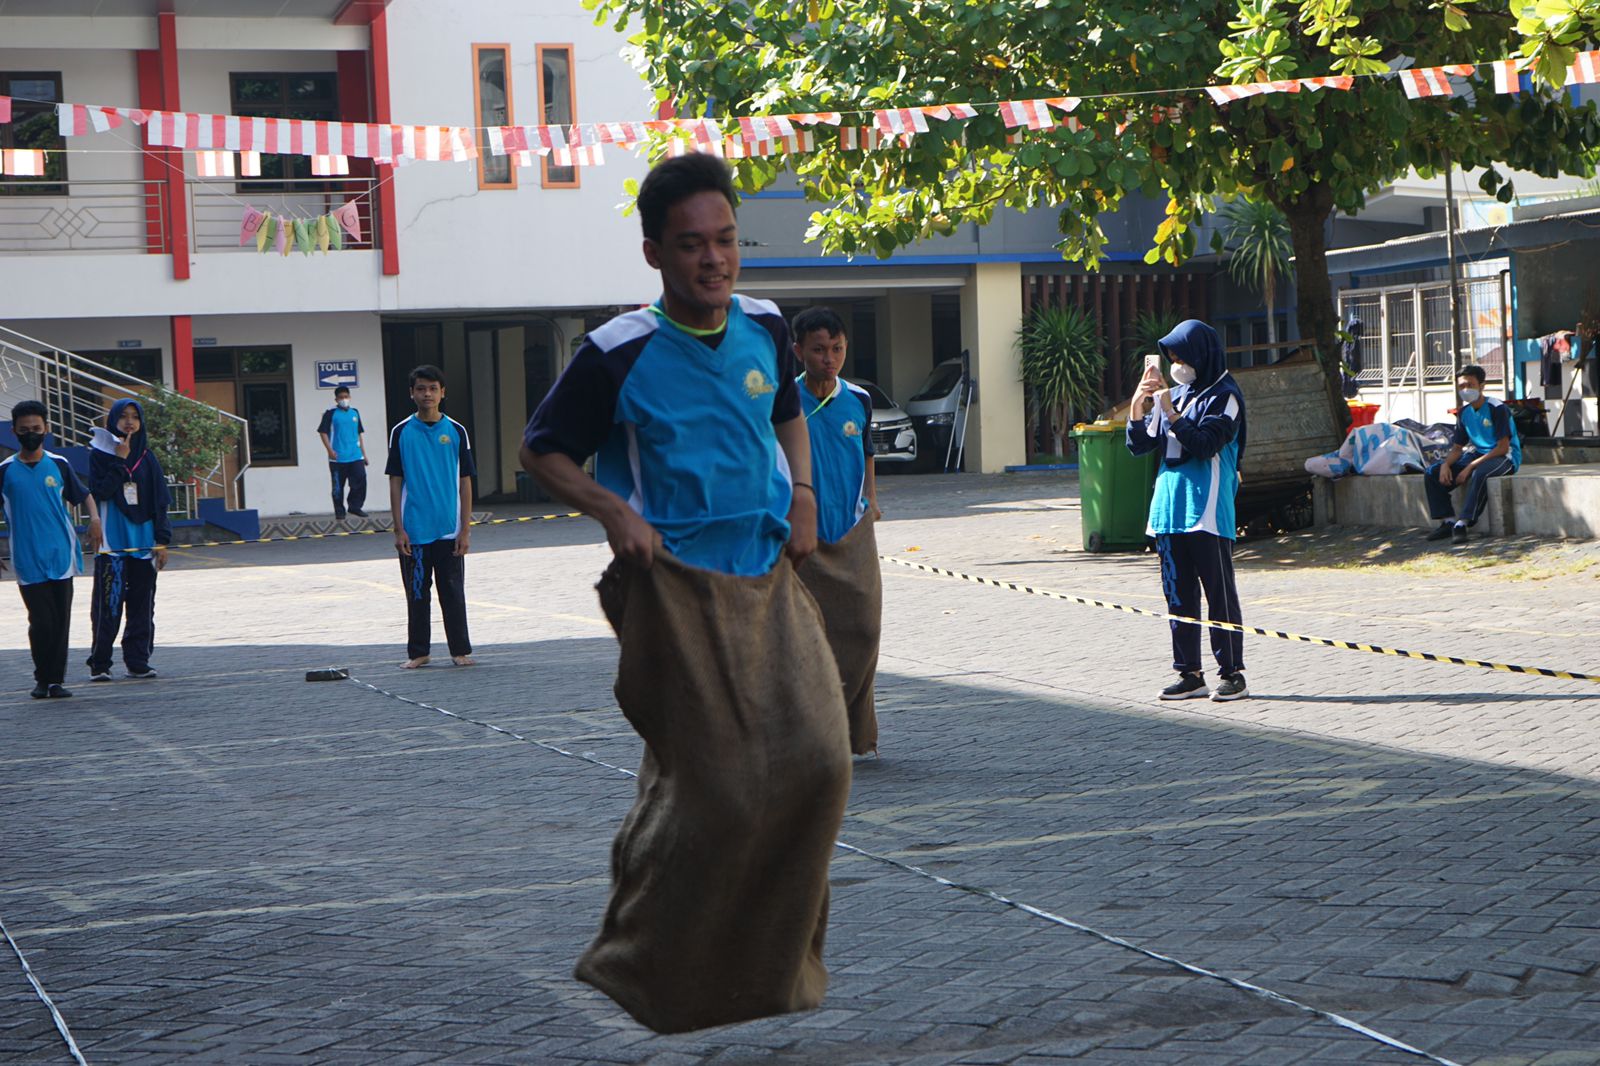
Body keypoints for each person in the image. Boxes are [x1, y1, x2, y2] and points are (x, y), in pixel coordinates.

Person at [520, 153, 848, 1034]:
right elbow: (541, 449)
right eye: (692, 245)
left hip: (771, 577)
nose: (714, 259)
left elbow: (783, 410)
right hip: (675, 591)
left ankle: (774, 970)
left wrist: (806, 491)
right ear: (655, 254)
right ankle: (644, 956)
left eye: (726, 241)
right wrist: (610, 510)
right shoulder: (617, 352)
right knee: (721, 788)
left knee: (821, 765)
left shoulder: (769, 326)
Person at [1126, 320, 1250, 702]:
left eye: (1181, 356)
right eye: (1171, 357)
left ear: (1201, 354)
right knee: (1177, 594)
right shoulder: (1175, 393)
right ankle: (1189, 673)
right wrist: (1138, 404)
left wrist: (1172, 412)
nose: (1176, 363)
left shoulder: (1225, 395)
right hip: (1169, 508)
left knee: (1218, 592)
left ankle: (1232, 673)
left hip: (1207, 508)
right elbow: (1141, 444)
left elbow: (1205, 444)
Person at [790, 305, 883, 756]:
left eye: (838, 349)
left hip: (851, 532)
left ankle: (852, 728)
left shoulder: (859, 399)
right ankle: (812, 733)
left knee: (864, 628)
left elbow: (866, 452)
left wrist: (872, 500)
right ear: (798, 351)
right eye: (820, 350)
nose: (830, 358)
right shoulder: (783, 402)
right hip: (801, 538)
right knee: (808, 637)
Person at [1, 400, 102, 698]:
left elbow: (84, 495)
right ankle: (41, 677)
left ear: (46, 428)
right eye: (24, 430)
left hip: (61, 555)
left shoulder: (59, 464)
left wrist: (94, 519)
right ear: (14, 431)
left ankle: (55, 680)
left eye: (36, 428)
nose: (30, 434)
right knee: (41, 620)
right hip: (27, 558)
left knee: (60, 620)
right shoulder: (5, 471)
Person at [385, 365, 475, 669]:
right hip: (415, 530)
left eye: (433, 388)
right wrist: (399, 529)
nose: (427, 394)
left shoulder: (457, 431)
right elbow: (395, 481)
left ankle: (460, 650)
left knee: (453, 592)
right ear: (412, 393)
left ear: (442, 393)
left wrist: (465, 529)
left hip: (449, 530)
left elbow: (465, 481)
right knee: (417, 593)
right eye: (421, 388)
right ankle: (419, 652)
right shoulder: (401, 432)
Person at [87, 398, 170, 682]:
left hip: (143, 545)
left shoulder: (148, 458)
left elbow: (160, 502)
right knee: (107, 605)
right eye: (123, 416)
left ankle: (137, 661)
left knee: (142, 605)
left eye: (135, 416)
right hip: (112, 545)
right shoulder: (100, 456)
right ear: (113, 421)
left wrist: (162, 540)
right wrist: (119, 460)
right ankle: (100, 663)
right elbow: (100, 491)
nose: (129, 422)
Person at [1423, 364, 1521, 545]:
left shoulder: (1497, 408)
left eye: (1470, 385)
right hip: (1477, 454)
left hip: (1504, 456)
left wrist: (1470, 466)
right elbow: (1457, 448)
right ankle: (1448, 521)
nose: (1465, 390)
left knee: (1480, 472)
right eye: (1461, 386)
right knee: (1432, 473)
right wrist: (1445, 465)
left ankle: (1463, 523)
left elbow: (1502, 447)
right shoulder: (1464, 413)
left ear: (1482, 385)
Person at [317, 385, 368, 519]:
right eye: (341, 397)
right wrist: (329, 450)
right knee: (338, 486)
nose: (344, 399)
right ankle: (339, 511)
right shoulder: (330, 413)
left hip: (356, 455)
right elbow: (323, 432)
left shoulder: (355, 412)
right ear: (336, 399)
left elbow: (359, 434)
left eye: (346, 397)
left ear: (350, 397)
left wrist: (364, 454)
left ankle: (355, 506)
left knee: (360, 479)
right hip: (338, 457)